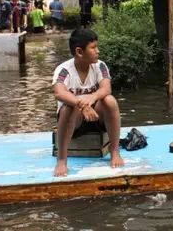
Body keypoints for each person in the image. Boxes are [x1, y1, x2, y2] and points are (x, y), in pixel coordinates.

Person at [52, 28, 124, 177]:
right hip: (75, 121)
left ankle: (114, 151)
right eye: (93, 47)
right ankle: (62, 160)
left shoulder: (100, 65)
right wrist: (82, 105)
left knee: (109, 101)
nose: (97, 51)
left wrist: (90, 100)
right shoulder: (64, 69)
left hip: (96, 117)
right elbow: (59, 92)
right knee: (67, 108)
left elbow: (106, 88)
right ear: (79, 51)